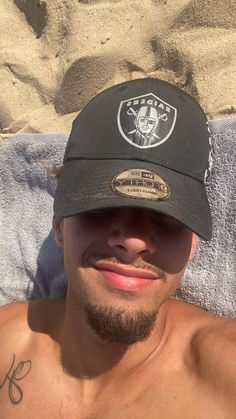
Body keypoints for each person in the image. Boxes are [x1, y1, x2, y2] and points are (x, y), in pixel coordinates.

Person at [0, 78, 235, 418]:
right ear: (59, 224)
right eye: (102, 205)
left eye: (166, 215)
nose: (132, 241)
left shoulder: (224, 374)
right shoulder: (6, 342)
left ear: (193, 243)